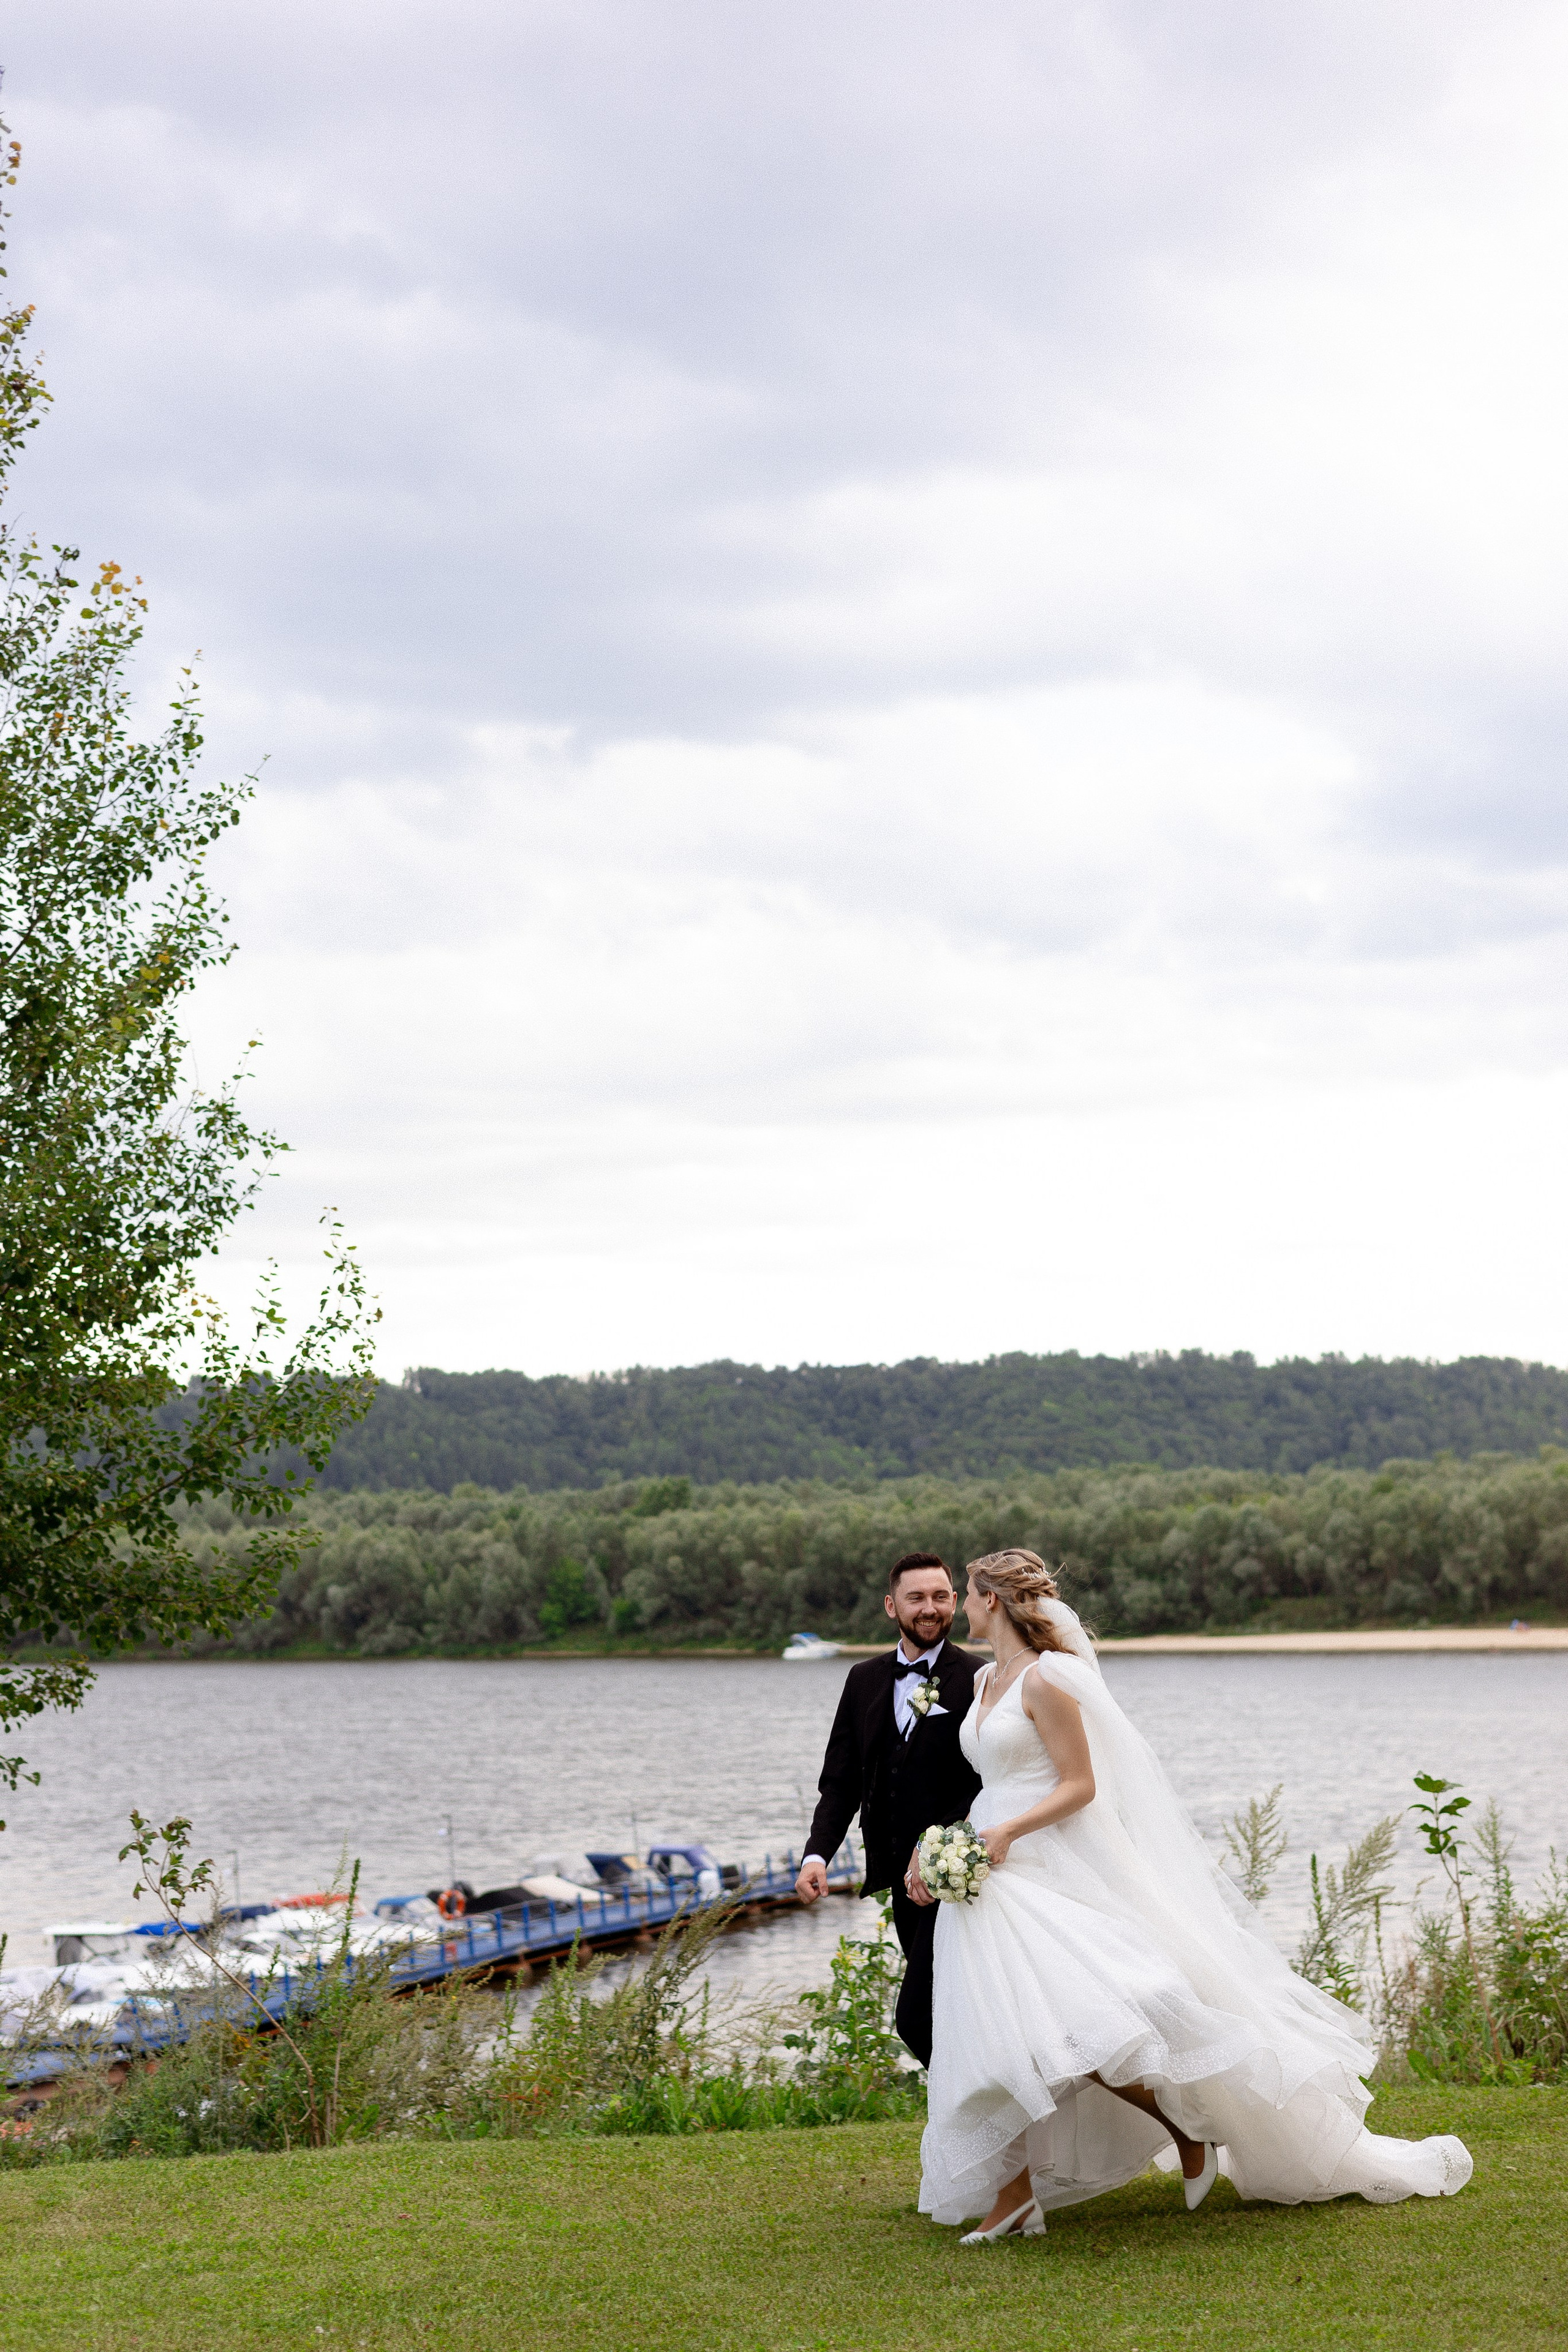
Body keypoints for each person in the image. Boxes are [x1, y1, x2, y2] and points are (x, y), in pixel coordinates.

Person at [919, 1548, 1474, 2244]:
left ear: (991, 1601)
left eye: (967, 1595)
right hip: (993, 1876)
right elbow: (988, 1784)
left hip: (1048, 1867)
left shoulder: (1046, 1679)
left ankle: (1184, 2125)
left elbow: (1078, 1784)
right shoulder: (984, 1683)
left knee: (1077, 2023)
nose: (960, 1607)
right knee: (1001, 2038)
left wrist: (1007, 1832)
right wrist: (948, 1849)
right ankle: (1014, 2194)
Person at [796, 1551, 982, 2067]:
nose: (930, 1608)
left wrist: (943, 1844)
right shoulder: (863, 1680)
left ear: (954, 1603)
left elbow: (990, 1782)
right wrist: (817, 1856)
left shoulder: (980, 1677)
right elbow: (840, 1782)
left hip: (958, 1879)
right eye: (916, 1598)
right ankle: (980, 2125)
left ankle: (978, 2122)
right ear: (890, 1605)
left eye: (941, 1596)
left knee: (917, 2018)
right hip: (899, 1882)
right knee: (945, 2015)